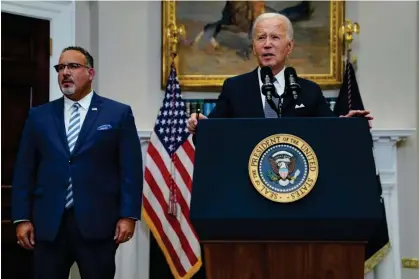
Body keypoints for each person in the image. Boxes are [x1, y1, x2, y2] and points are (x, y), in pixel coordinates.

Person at [12, 46, 143, 279]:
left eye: (73, 66)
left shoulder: (117, 113)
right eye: (60, 67)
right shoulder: (39, 116)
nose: (65, 72)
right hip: (49, 224)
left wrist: (128, 215)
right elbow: (24, 171)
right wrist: (22, 218)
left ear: (90, 73)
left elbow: (130, 169)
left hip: (99, 223)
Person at [187, 12, 372, 133]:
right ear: (253, 47)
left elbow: (331, 131)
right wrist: (200, 126)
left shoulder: (309, 91)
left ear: (289, 47)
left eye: (275, 37)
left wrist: (348, 124)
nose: (267, 44)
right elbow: (211, 134)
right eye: (261, 38)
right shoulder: (234, 88)